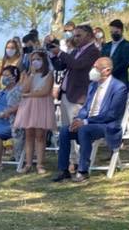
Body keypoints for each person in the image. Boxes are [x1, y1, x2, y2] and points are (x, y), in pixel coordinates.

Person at [52, 57, 129, 184]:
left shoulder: (119, 88)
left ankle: (83, 170)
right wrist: (78, 119)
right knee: (66, 130)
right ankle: (63, 170)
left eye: (96, 68)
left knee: (84, 130)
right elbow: (86, 107)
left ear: (107, 71)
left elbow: (111, 114)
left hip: (107, 125)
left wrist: (85, 122)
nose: (93, 70)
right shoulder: (93, 85)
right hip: (88, 123)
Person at [49, 25, 101, 169]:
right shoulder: (75, 51)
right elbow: (61, 66)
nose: (75, 38)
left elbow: (78, 65)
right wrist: (54, 54)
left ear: (89, 35)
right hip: (66, 94)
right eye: (74, 35)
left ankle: (81, 161)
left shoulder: (93, 51)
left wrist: (60, 52)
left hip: (78, 95)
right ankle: (73, 160)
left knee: (77, 129)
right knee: (67, 130)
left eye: (79, 35)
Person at [14, 51, 57, 174]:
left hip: (42, 106)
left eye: (38, 59)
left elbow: (44, 91)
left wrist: (28, 95)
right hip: (29, 107)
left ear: (44, 60)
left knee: (40, 136)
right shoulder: (29, 75)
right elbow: (24, 88)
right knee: (29, 135)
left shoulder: (49, 74)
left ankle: (40, 164)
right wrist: (31, 75)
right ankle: (28, 164)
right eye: (32, 60)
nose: (35, 62)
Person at [100, 19, 129, 87]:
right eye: (111, 32)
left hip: (120, 82)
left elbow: (125, 64)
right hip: (104, 82)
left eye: (116, 32)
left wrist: (109, 72)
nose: (114, 34)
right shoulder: (106, 46)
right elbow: (101, 60)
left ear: (121, 30)